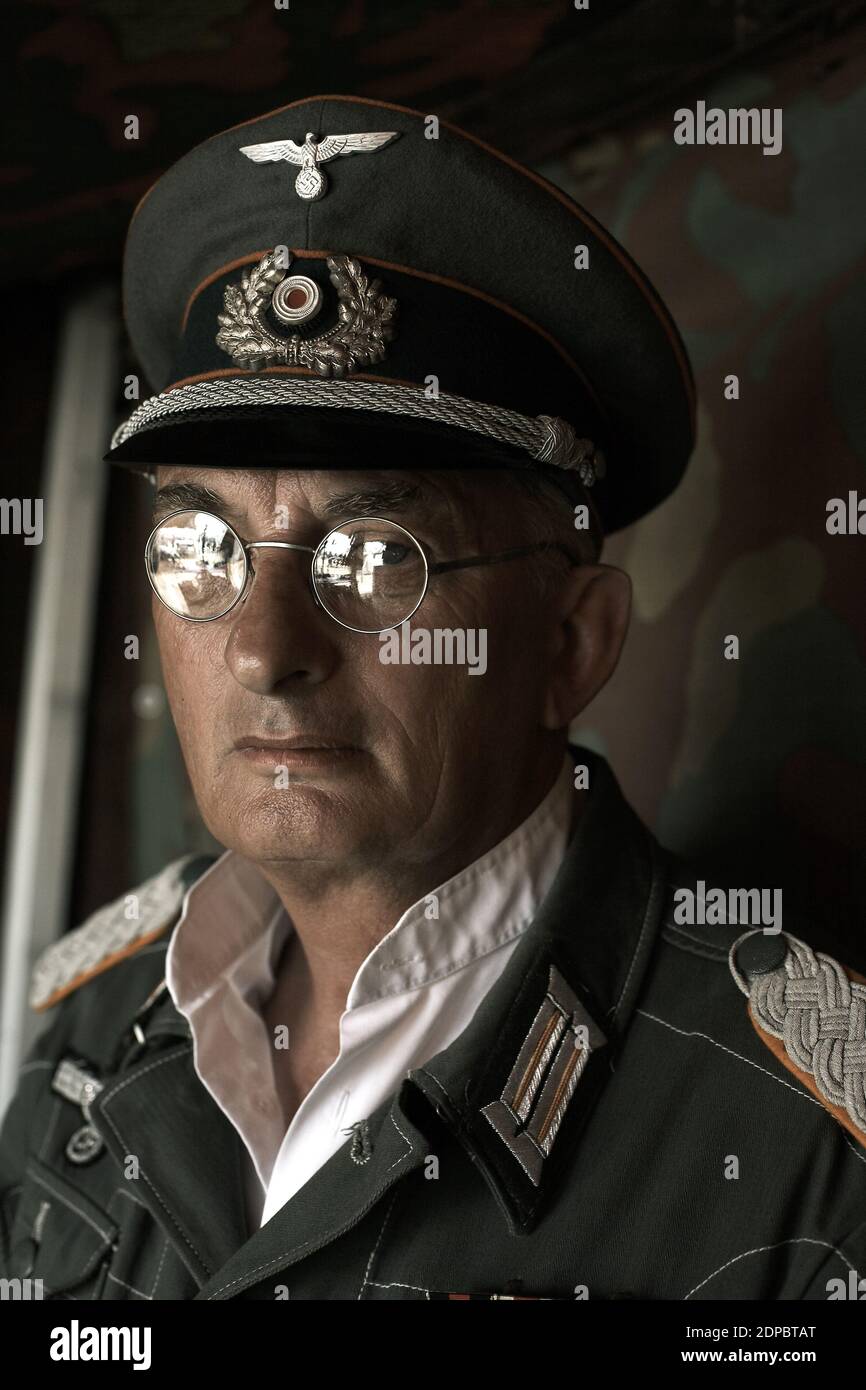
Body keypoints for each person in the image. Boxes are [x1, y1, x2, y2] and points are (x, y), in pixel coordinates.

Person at [1, 94, 863, 1303]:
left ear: (569, 642)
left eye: (373, 559)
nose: (262, 651)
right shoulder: (95, 1013)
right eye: (203, 549)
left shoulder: (800, 1151)